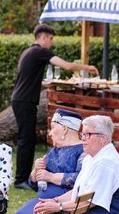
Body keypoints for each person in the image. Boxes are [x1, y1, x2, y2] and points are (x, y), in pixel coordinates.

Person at [11, 23, 98, 190]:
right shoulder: (39, 51)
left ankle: (22, 178)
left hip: (21, 99)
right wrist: (87, 68)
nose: (51, 42)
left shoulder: (29, 52)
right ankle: (21, 180)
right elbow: (67, 66)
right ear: (42, 37)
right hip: (24, 101)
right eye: (50, 39)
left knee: (27, 139)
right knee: (26, 139)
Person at [5, 109, 84, 214]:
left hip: (66, 203)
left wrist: (51, 176)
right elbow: (35, 184)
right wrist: (35, 174)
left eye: (53, 128)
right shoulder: (53, 151)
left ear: (64, 129)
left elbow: (82, 180)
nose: (50, 133)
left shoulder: (82, 152)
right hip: (43, 199)